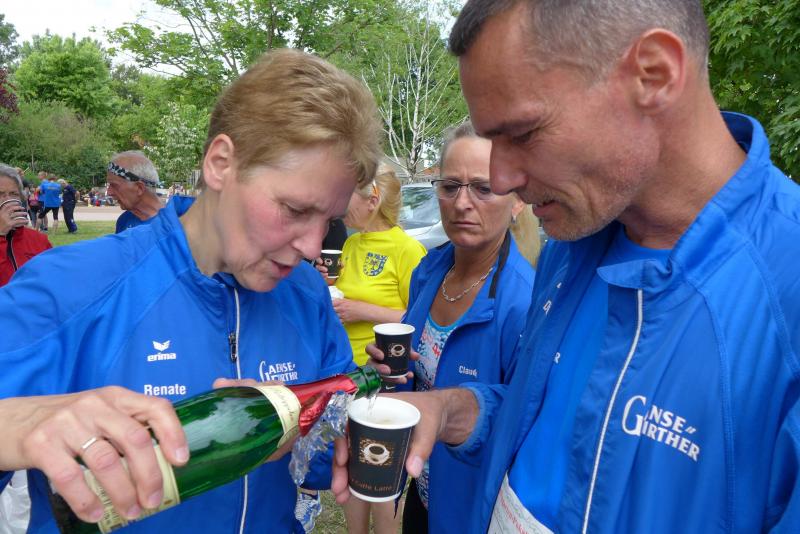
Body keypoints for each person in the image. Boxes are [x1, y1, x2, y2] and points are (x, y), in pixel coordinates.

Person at [331, 1, 800, 532]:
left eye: (523, 134)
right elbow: (552, 423)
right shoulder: (570, 249)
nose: (502, 180)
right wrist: (449, 409)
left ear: (653, 75)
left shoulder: (784, 295)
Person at [0, 48, 382, 533]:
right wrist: (16, 425)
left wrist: (315, 432)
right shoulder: (71, 286)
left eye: (328, 220)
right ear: (221, 163)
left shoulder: (305, 293)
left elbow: (324, 459)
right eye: (295, 209)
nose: (312, 246)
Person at [370, 122, 537, 533]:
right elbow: (416, 378)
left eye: (483, 188)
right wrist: (388, 376)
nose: (462, 203)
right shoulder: (429, 271)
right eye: (450, 186)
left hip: (471, 512)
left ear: (517, 200)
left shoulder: (523, 303)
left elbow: (522, 430)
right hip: (420, 489)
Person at [319, 164, 425, 534]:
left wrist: (363, 310)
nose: (339, 203)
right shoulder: (350, 243)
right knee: (350, 466)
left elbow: (418, 318)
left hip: (385, 378)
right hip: (346, 373)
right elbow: (344, 294)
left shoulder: (408, 249)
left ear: (372, 199)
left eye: (347, 193)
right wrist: (325, 283)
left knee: (381, 473)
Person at [0, 164, 52, 286]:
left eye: (14, 194)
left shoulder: (39, 240)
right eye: (0, 194)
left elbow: (51, 279)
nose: (7, 200)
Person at [106, 151, 164, 233]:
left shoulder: (173, 224)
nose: (109, 192)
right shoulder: (124, 220)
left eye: (114, 185)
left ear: (139, 188)